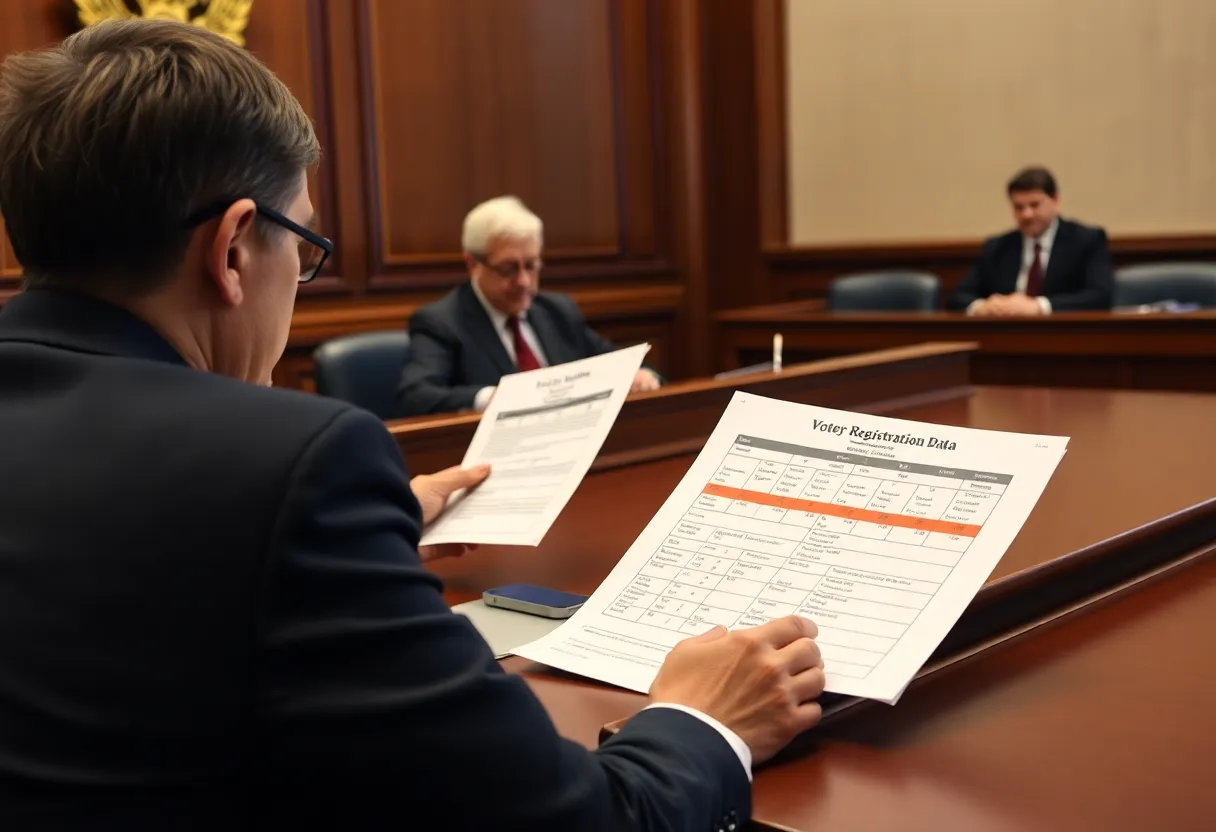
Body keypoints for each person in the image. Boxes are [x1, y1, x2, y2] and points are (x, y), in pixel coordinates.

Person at [0, 20, 825, 831]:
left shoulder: (257, 491)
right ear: (235, 249)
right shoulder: (287, 466)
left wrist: (349, 536)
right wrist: (700, 718)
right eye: (305, 246)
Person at [396, 196, 663, 417]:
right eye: (508, 269)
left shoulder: (557, 311)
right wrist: (494, 398)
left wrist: (641, 374)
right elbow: (416, 396)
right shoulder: (441, 322)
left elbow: (615, 360)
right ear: (472, 264)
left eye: (532, 265)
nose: (523, 281)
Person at [947, 166, 1114, 314]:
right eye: (1018, 207)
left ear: (1055, 201)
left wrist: (1039, 306)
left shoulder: (1086, 240)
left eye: (1034, 205)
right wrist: (982, 306)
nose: (1026, 215)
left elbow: (1100, 296)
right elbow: (957, 297)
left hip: (1064, 333)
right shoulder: (998, 247)